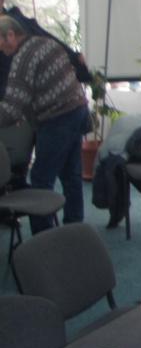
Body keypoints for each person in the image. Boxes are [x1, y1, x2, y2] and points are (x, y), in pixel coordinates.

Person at [0, 16, 90, 233]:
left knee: (41, 180)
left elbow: (11, 108)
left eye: (0, 42)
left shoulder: (23, 59)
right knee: (71, 175)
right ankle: (75, 229)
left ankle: (44, 238)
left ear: (10, 35)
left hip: (57, 120)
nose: (0, 48)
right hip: (78, 111)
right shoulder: (47, 43)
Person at [0, 0, 91, 98]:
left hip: (20, 82)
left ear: (1, 0)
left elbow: (44, 37)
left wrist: (73, 56)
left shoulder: (17, 20)